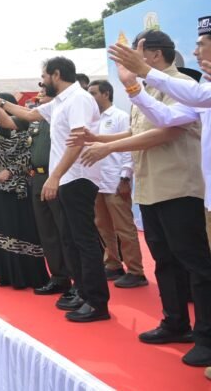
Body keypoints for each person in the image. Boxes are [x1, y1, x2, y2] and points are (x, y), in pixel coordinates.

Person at [100, 27, 211, 367]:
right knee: (164, 258)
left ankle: (204, 336)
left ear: (153, 53)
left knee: (194, 263)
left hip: (180, 184)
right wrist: (134, 85)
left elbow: (165, 131)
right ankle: (175, 322)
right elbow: (160, 118)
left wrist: (107, 146)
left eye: (202, 45)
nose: (196, 53)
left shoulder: (185, 86)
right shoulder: (186, 89)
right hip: (154, 185)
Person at [0, 56, 110, 323]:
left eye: (43, 76)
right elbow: (31, 115)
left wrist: (54, 176)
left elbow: (77, 142)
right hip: (67, 179)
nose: (41, 82)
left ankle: (97, 301)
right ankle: (82, 292)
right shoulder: (61, 101)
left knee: (84, 241)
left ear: (56, 74)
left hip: (77, 178)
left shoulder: (77, 99)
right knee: (70, 240)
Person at [0, 87, 49, 290]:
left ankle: (24, 274)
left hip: (17, 186)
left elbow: (28, 154)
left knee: (18, 228)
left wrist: (12, 170)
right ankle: (5, 271)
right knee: (0, 227)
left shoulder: (25, 126)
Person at [87, 80, 147, 288]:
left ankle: (136, 271)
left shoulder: (120, 116)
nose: (91, 97)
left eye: (93, 93)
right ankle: (113, 264)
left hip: (115, 181)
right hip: (97, 181)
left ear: (106, 94)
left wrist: (125, 178)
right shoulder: (92, 119)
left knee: (124, 228)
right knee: (103, 227)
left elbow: (129, 150)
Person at [27, 88, 74, 298]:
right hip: (37, 178)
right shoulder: (37, 121)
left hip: (56, 176)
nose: (39, 101)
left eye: (43, 97)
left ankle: (76, 280)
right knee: (47, 233)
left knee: (65, 231)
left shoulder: (61, 115)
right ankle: (58, 277)